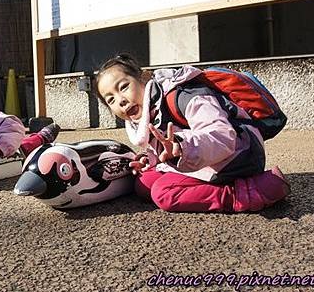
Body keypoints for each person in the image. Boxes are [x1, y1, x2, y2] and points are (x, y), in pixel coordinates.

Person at [94, 54, 290, 212]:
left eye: (124, 87)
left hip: (239, 153)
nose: (120, 100)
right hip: (200, 154)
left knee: (164, 193)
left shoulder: (182, 96)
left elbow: (222, 137)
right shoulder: (149, 112)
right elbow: (167, 143)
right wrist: (151, 159)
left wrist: (181, 148)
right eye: (110, 99)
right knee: (144, 184)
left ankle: (246, 194)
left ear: (144, 78)